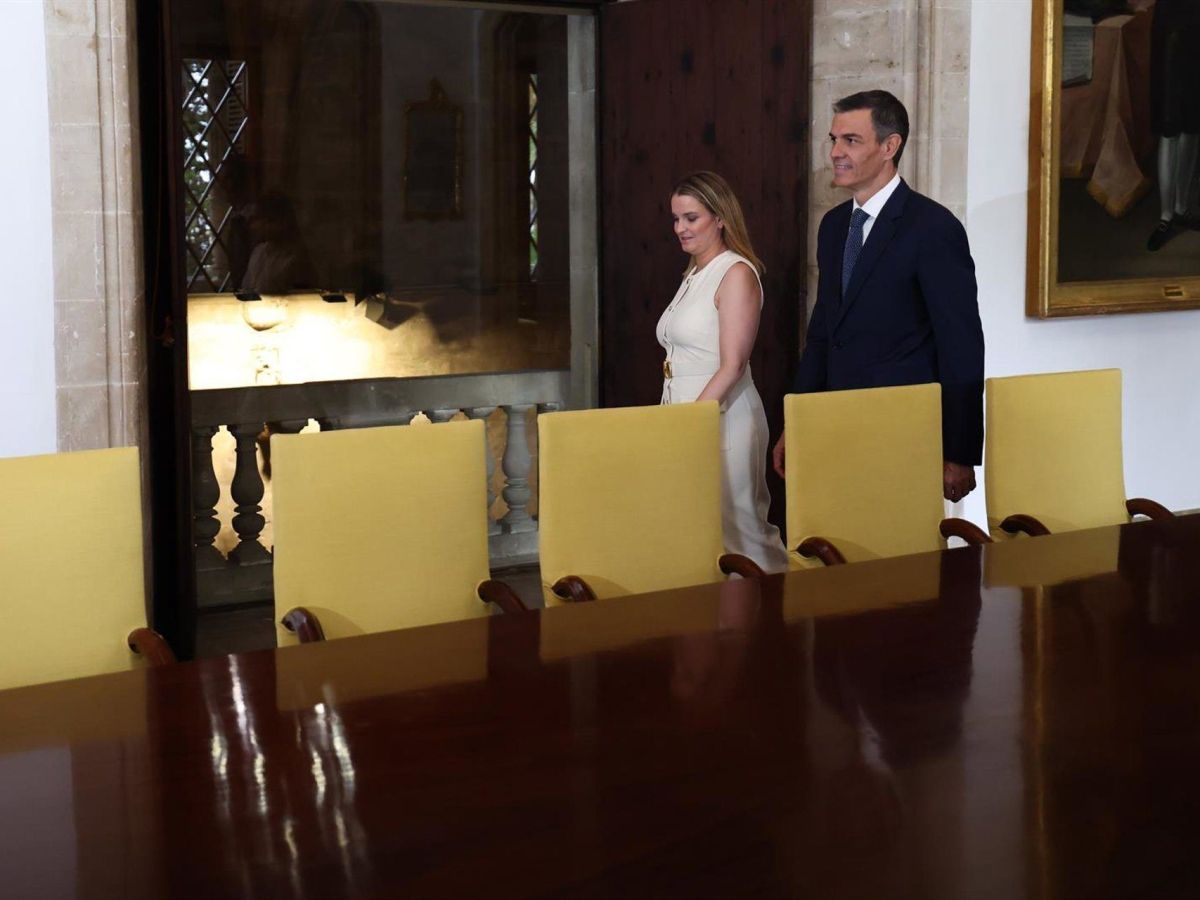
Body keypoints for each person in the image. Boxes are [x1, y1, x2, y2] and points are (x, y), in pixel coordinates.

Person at [772, 90, 984, 502]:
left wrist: (959, 452)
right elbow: (823, 333)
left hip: (900, 432)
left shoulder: (933, 228)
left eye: (850, 140)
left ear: (890, 146)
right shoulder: (834, 226)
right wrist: (794, 420)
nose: (835, 152)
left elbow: (961, 345)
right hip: (833, 425)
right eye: (834, 139)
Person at [658, 171, 789, 573]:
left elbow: (732, 365)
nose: (680, 228)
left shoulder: (736, 272)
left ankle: (777, 606)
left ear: (720, 218)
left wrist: (691, 421)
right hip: (685, 414)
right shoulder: (694, 273)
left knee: (742, 531)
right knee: (698, 528)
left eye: (691, 218)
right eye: (676, 219)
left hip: (724, 416)